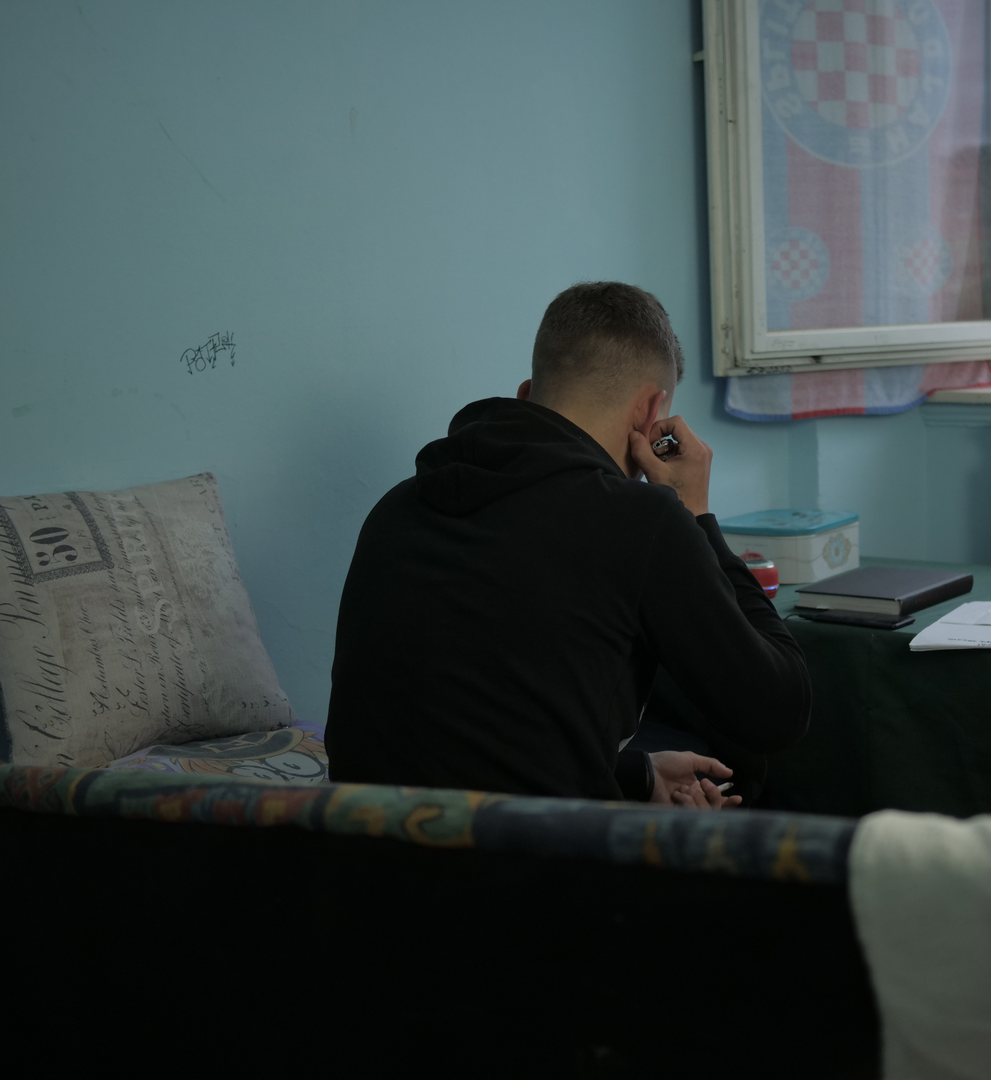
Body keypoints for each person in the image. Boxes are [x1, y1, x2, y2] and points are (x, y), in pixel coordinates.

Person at [325, 282, 810, 809]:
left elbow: (470, 726)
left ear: (527, 395)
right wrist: (697, 513)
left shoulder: (396, 507)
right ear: (650, 414)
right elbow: (778, 714)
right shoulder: (642, 521)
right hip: (536, 852)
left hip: (363, 844)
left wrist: (638, 774)